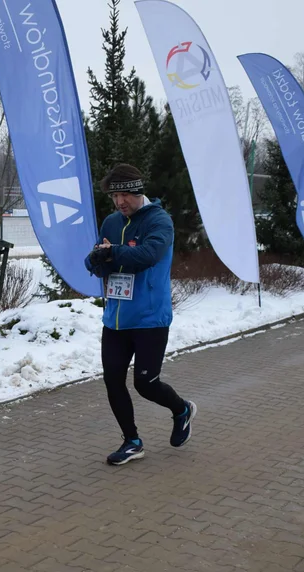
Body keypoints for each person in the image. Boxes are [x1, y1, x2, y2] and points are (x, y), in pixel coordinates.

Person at [84, 163, 196, 466]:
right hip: (116, 319)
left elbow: (147, 256)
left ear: (137, 192)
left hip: (149, 318)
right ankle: (132, 441)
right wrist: (95, 260)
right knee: (113, 380)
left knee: (145, 383)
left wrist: (112, 253)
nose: (120, 202)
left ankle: (182, 409)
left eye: (124, 195)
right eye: (114, 196)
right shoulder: (111, 222)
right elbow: (102, 261)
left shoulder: (160, 221)